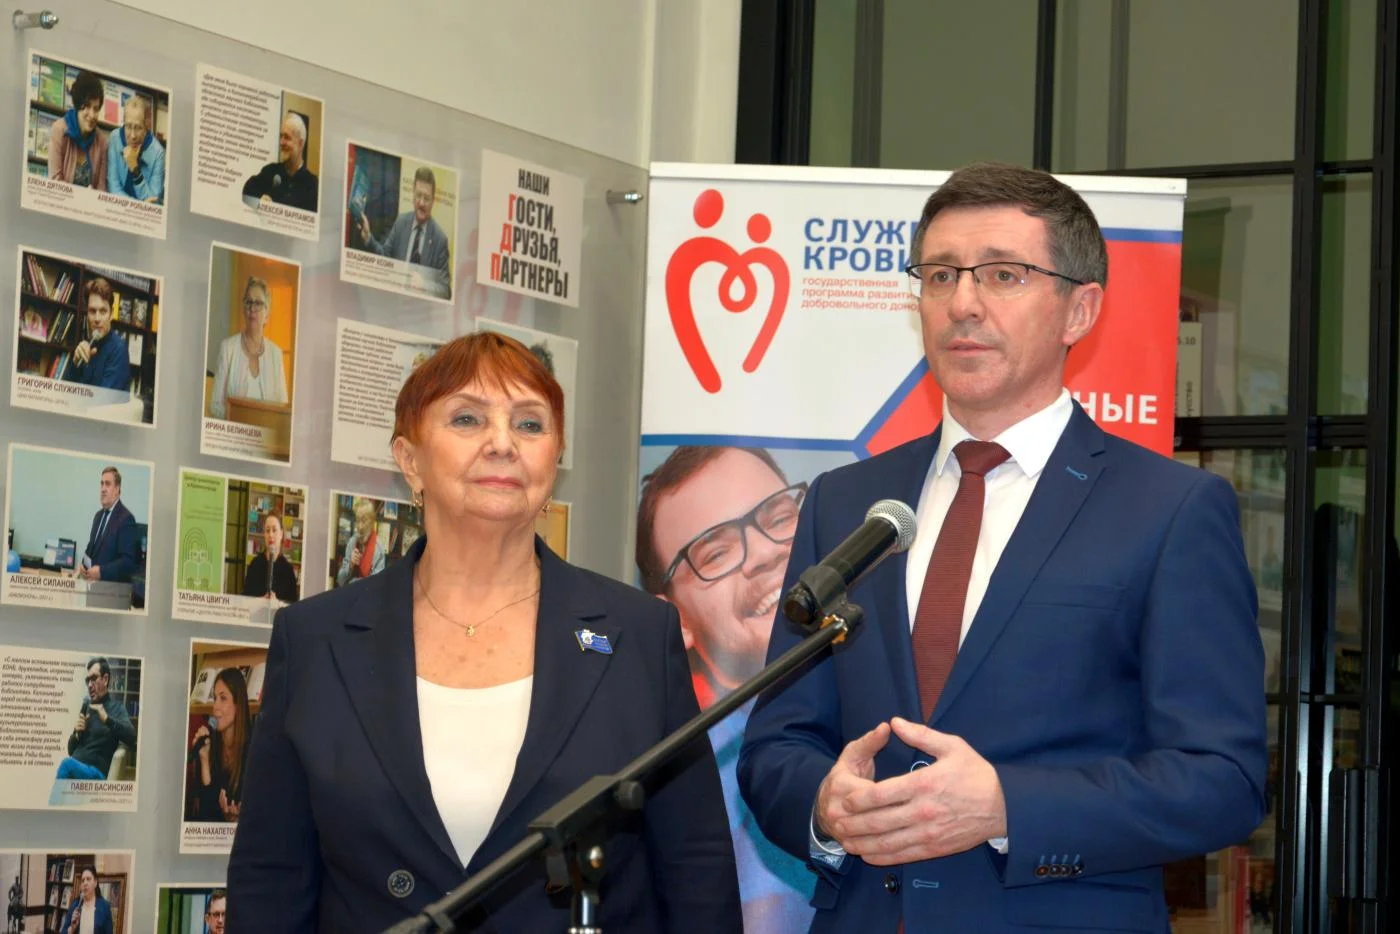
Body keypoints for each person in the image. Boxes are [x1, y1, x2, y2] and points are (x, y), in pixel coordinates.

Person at [738, 162, 1267, 933]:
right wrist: (825, 805)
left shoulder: (1171, 510)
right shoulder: (847, 503)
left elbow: (1221, 780)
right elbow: (777, 742)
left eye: (1003, 275)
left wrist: (1006, 807)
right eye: (940, 275)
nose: (963, 303)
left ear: (1080, 310)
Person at [227, 331, 740, 933]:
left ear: (554, 458)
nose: (502, 443)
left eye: (529, 424)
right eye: (467, 418)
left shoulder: (639, 635)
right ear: (409, 459)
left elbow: (697, 872)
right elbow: (271, 880)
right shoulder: (315, 640)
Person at [637, 445, 816, 933]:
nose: (763, 554)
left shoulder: (916, 694)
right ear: (677, 620)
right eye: (716, 553)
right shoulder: (667, 781)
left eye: (779, 518)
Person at [209, 276, 289, 420]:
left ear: (267, 315)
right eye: (248, 302)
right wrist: (238, 422)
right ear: (243, 309)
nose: (252, 308)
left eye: (258, 303)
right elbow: (215, 405)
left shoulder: (276, 354)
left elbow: (283, 410)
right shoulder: (228, 348)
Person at [358, 166, 451, 285]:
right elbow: (385, 258)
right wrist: (368, 238)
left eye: (427, 198)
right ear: (413, 194)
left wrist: (424, 285)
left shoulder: (440, 240)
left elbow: (445, 288)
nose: (421, 203)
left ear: (433, 201)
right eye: (418, 195)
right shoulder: (401, 222)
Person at [187, 668, 252, 823]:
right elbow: (204, 812)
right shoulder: (209, 743)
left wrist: (238, 820)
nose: (215, 706)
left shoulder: (253, 749)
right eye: (215, 698)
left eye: (223, 698)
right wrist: (204, 760)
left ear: (238, 705)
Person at [56, 658, 137, 780]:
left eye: (93, 679)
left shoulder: (117, 708)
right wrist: (76, 734)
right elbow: (71, 751)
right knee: (66, 765)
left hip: (96, 773)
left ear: (105, 679)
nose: (89, 685)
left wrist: (107, 719)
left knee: (66, 765)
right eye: (87, 680)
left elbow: (132, 737)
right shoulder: (86, 708)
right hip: (77, 771)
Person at [241, 112, 318, 212]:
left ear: (300, 144)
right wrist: (260, 201)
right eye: (281, 136)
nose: (281, 142)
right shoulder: (270, 170)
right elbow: (247, 192)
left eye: (287, 137)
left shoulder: (312, 184)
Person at [65, 278, 130, 392]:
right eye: (92, 311)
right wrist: (75, 363)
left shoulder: (119, 349)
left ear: (111, 314)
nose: (97, 319)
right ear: (87, 314)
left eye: (103, 311)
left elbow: (103, 400)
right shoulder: (88, 343)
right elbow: (66, 391)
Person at [79, 467, 141, 584]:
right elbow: (91, 549)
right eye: (102, 484)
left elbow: (128, 563)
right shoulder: (98, 516)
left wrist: (101, 572)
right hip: (93, 586)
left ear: (117, 489)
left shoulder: (126, 519)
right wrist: (83, 565)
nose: (103, 489)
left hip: (112, 590)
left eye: (107, 484)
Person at [48, 71, 108, 189]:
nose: (92, 115)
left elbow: (101, 187)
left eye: (96, 109)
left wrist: (94, 196)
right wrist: (81, 196)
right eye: (87, 106)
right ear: (77, 105)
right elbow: (55, 181)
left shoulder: (101, 142)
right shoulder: (59, 130)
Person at [106, 95, 165, 203]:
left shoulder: (158, 153)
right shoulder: (114, 138)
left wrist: (135, 169)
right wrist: (135, 206)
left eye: (138, 128)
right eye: (128, 126)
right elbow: (113, 187)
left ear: (146, 127)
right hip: (117, 208)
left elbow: (153, 201)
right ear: (123, 123)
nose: (133, 136)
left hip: (141, 213)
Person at [242, 513, 299, 604]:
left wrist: (277, 603)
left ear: (281, 534)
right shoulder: (255, 564)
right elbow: (245, 599)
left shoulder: (287, 570)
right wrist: (260, 601)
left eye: (274, 530)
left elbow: (292, 605)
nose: (271, 535)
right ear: (264, 534)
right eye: (267, 530)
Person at [335, 498, 386, 586]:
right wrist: (350, 565)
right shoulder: (352, 542)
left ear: (372, 521)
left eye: (364, 520)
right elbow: (340, 580)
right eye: (358, 520)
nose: (360, 527)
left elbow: (377, 585)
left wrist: (353, 581)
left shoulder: (379, 548)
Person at [59, 867, 113, 934]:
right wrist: (72, 928)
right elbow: (63, 932)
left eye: (88, 879)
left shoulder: (105, 907)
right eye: (83, 880)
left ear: (95, 883)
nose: (85, 883)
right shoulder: (75, 905)